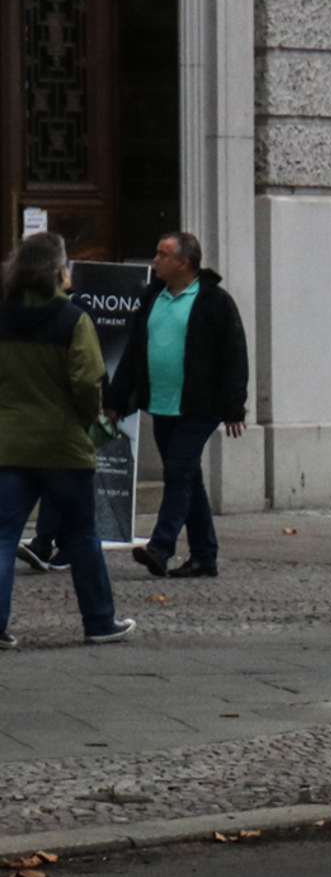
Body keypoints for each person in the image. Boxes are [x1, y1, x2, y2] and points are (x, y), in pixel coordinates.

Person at [0, 232, 134, 647]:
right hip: (64, 446)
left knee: (3, 535)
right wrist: (89, 423)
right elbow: (87, 382)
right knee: (82, 534)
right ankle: (98, 621)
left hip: (9, 443)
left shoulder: (2, 316)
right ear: (59, 270)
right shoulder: (73, 320)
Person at [106, 230, 248, 578]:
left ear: (183, 262)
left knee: (178, 472)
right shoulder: (152, 298)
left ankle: (161, 546)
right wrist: (115, 400)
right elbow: (133, 355)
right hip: (162, 404)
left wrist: (233, 407)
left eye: (162, 254)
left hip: (200, 406)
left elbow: (234, 356)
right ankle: (204, 556)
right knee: (188, 479)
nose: (155, 260)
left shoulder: (214, 300)